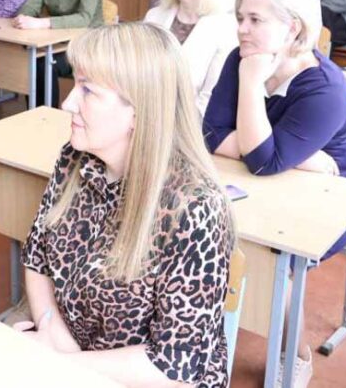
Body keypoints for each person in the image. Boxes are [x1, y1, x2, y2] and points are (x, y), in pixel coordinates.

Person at [19, 22, 234, 386]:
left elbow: (174, 366)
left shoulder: (195, 209)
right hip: (71, 360)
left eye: (88, 90)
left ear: (138, 111)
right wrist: (51, 329)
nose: (68, 103)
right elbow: (36, 255)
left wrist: (62, 362)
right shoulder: (75, 158)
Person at [203, 0, 346, 386]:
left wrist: (252, 86)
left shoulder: (325, 88)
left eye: (255, 20)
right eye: (240, 18)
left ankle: (297, 355)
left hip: (330, 198)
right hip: (265, 182)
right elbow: (211, 134)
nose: (242, 29)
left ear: (292, 28)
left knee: (272, 258)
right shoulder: (242, 57)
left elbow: (262, 161)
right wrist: (287, 156)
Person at [143, 0, 237, 116]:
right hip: (143, 112)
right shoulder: (154, 16)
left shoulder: (226, 28)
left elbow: (211, 96)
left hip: (193, 122)